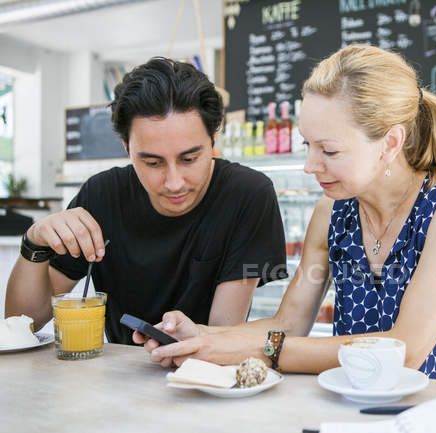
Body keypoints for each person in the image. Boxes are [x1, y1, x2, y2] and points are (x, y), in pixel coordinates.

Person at [138, 45, 436, 384]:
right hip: (354, 403)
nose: (311, 165)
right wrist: (200, 336)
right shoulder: (332, 211)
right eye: (308, 145)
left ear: (389, 144)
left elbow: (406, 350)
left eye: (329, 150)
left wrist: (254, 350)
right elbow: (289, 323)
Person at [5, 58, 287, 345]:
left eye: (190, 159)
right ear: (126, 147)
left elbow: (223, 331)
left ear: (213, 138)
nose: (174, 182)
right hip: (119, 374)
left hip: (207, 374)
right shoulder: (101, 195)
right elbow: (20, 323)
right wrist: (33, 243)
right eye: (153, 162)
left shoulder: (247, 194)